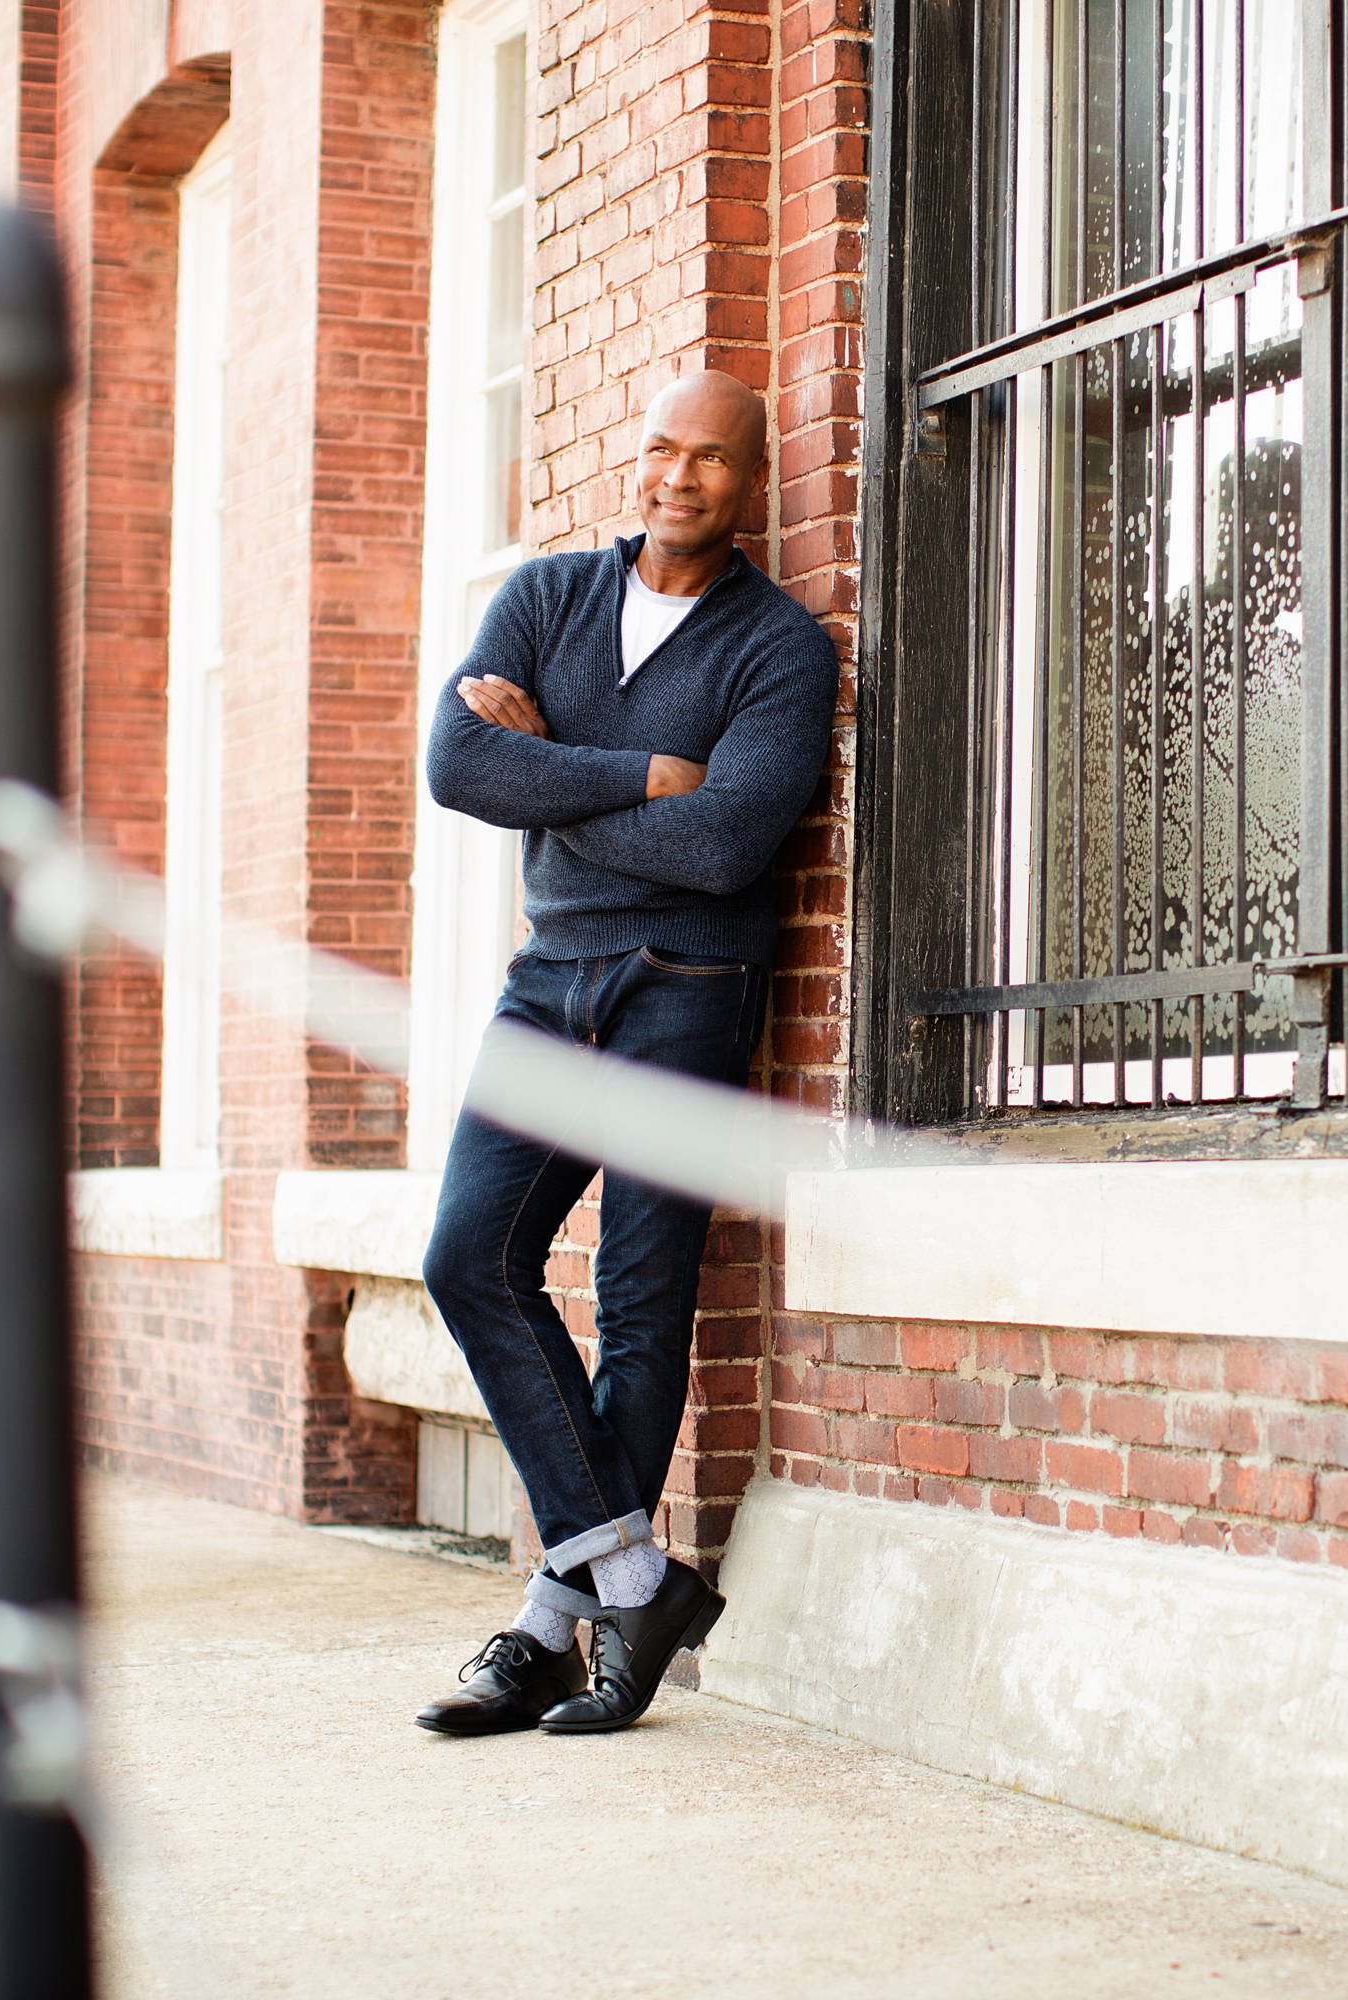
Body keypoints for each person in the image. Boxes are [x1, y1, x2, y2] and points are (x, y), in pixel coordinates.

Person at [409, 369, 837, 1736]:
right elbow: (461, 769)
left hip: (691, 988)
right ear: (632, 455)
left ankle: (557, 1621)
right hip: (552, 978)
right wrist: (642, 772)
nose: (680, 476)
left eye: (713, 458)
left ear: (749, 479)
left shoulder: (781, 646)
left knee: (646, 1297)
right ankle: (634, 1577)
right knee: (468, 1255)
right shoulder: (544, 601)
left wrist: (563, 763)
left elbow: (725, 847)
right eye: (662, 446)